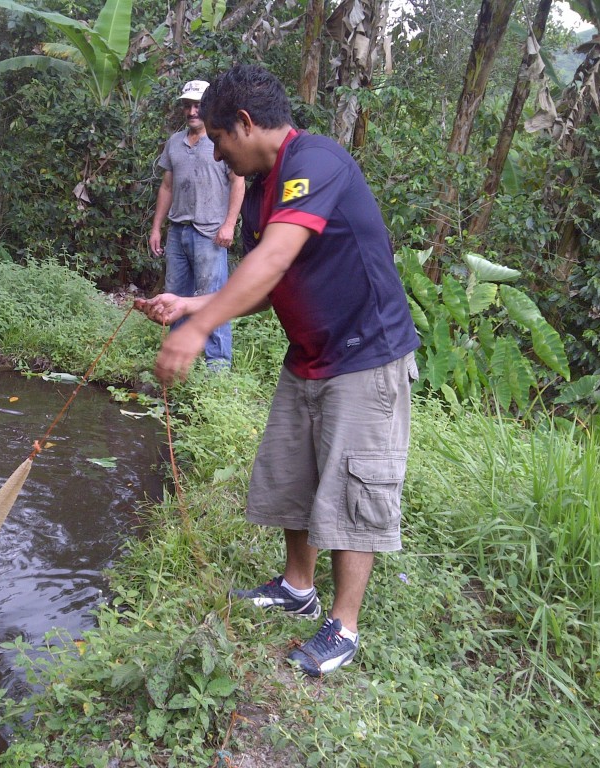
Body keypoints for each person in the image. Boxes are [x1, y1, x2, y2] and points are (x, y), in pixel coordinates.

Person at [135, 65, 419, 677]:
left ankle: (343, 626)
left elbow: (274, 257)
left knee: (352, 489)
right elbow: (272, 281)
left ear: (244, 123)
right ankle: (297, 587)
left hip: (366, 355)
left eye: (218, 138)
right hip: (309, 355)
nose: (213, 150)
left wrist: (200, 330)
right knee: (293, 474)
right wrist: (193, 305)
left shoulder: (316, 160)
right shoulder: (262, 182)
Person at [149, 79, 245, 370]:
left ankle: (217, 366)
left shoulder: (221, 140)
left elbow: (237, 182)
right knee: (175, 297)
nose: (192, 111)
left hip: (211, 233)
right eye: (188, 105)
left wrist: (229, 225)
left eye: (198, 105)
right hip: (178, 231)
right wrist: (156, 228)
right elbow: (167, 186)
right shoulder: (174, 143)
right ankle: (177, 361)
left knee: (211, 299)